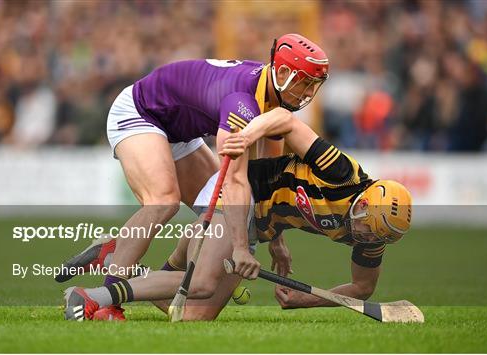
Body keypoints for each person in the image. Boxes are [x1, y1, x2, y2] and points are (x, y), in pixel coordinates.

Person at [58, 33, 330, 320]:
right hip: (142, 112)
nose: (308, 93)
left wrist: (277, 242)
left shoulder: (274, 105)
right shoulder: (242, 103)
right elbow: (234, 180)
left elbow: (266, 185)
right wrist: (239, 249)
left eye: (314, 85)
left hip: (181, 132)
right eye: (304, 82)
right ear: (284, 73)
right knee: (163, 201)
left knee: (232, 213)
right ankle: (106, 303)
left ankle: (118, 258)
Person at [63, 115, 413, 321]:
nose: (366, 237)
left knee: (189, 315)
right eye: (367, 228)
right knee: (201, 284)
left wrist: (303, 299)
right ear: (365, 203)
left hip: (255, 228)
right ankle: (94, 297)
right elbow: (285, 120)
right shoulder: (342, 173)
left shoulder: (374, 231)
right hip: (234, 196)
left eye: (375, 236)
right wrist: (245, 137)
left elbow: (363, 287)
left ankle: (118, 259)